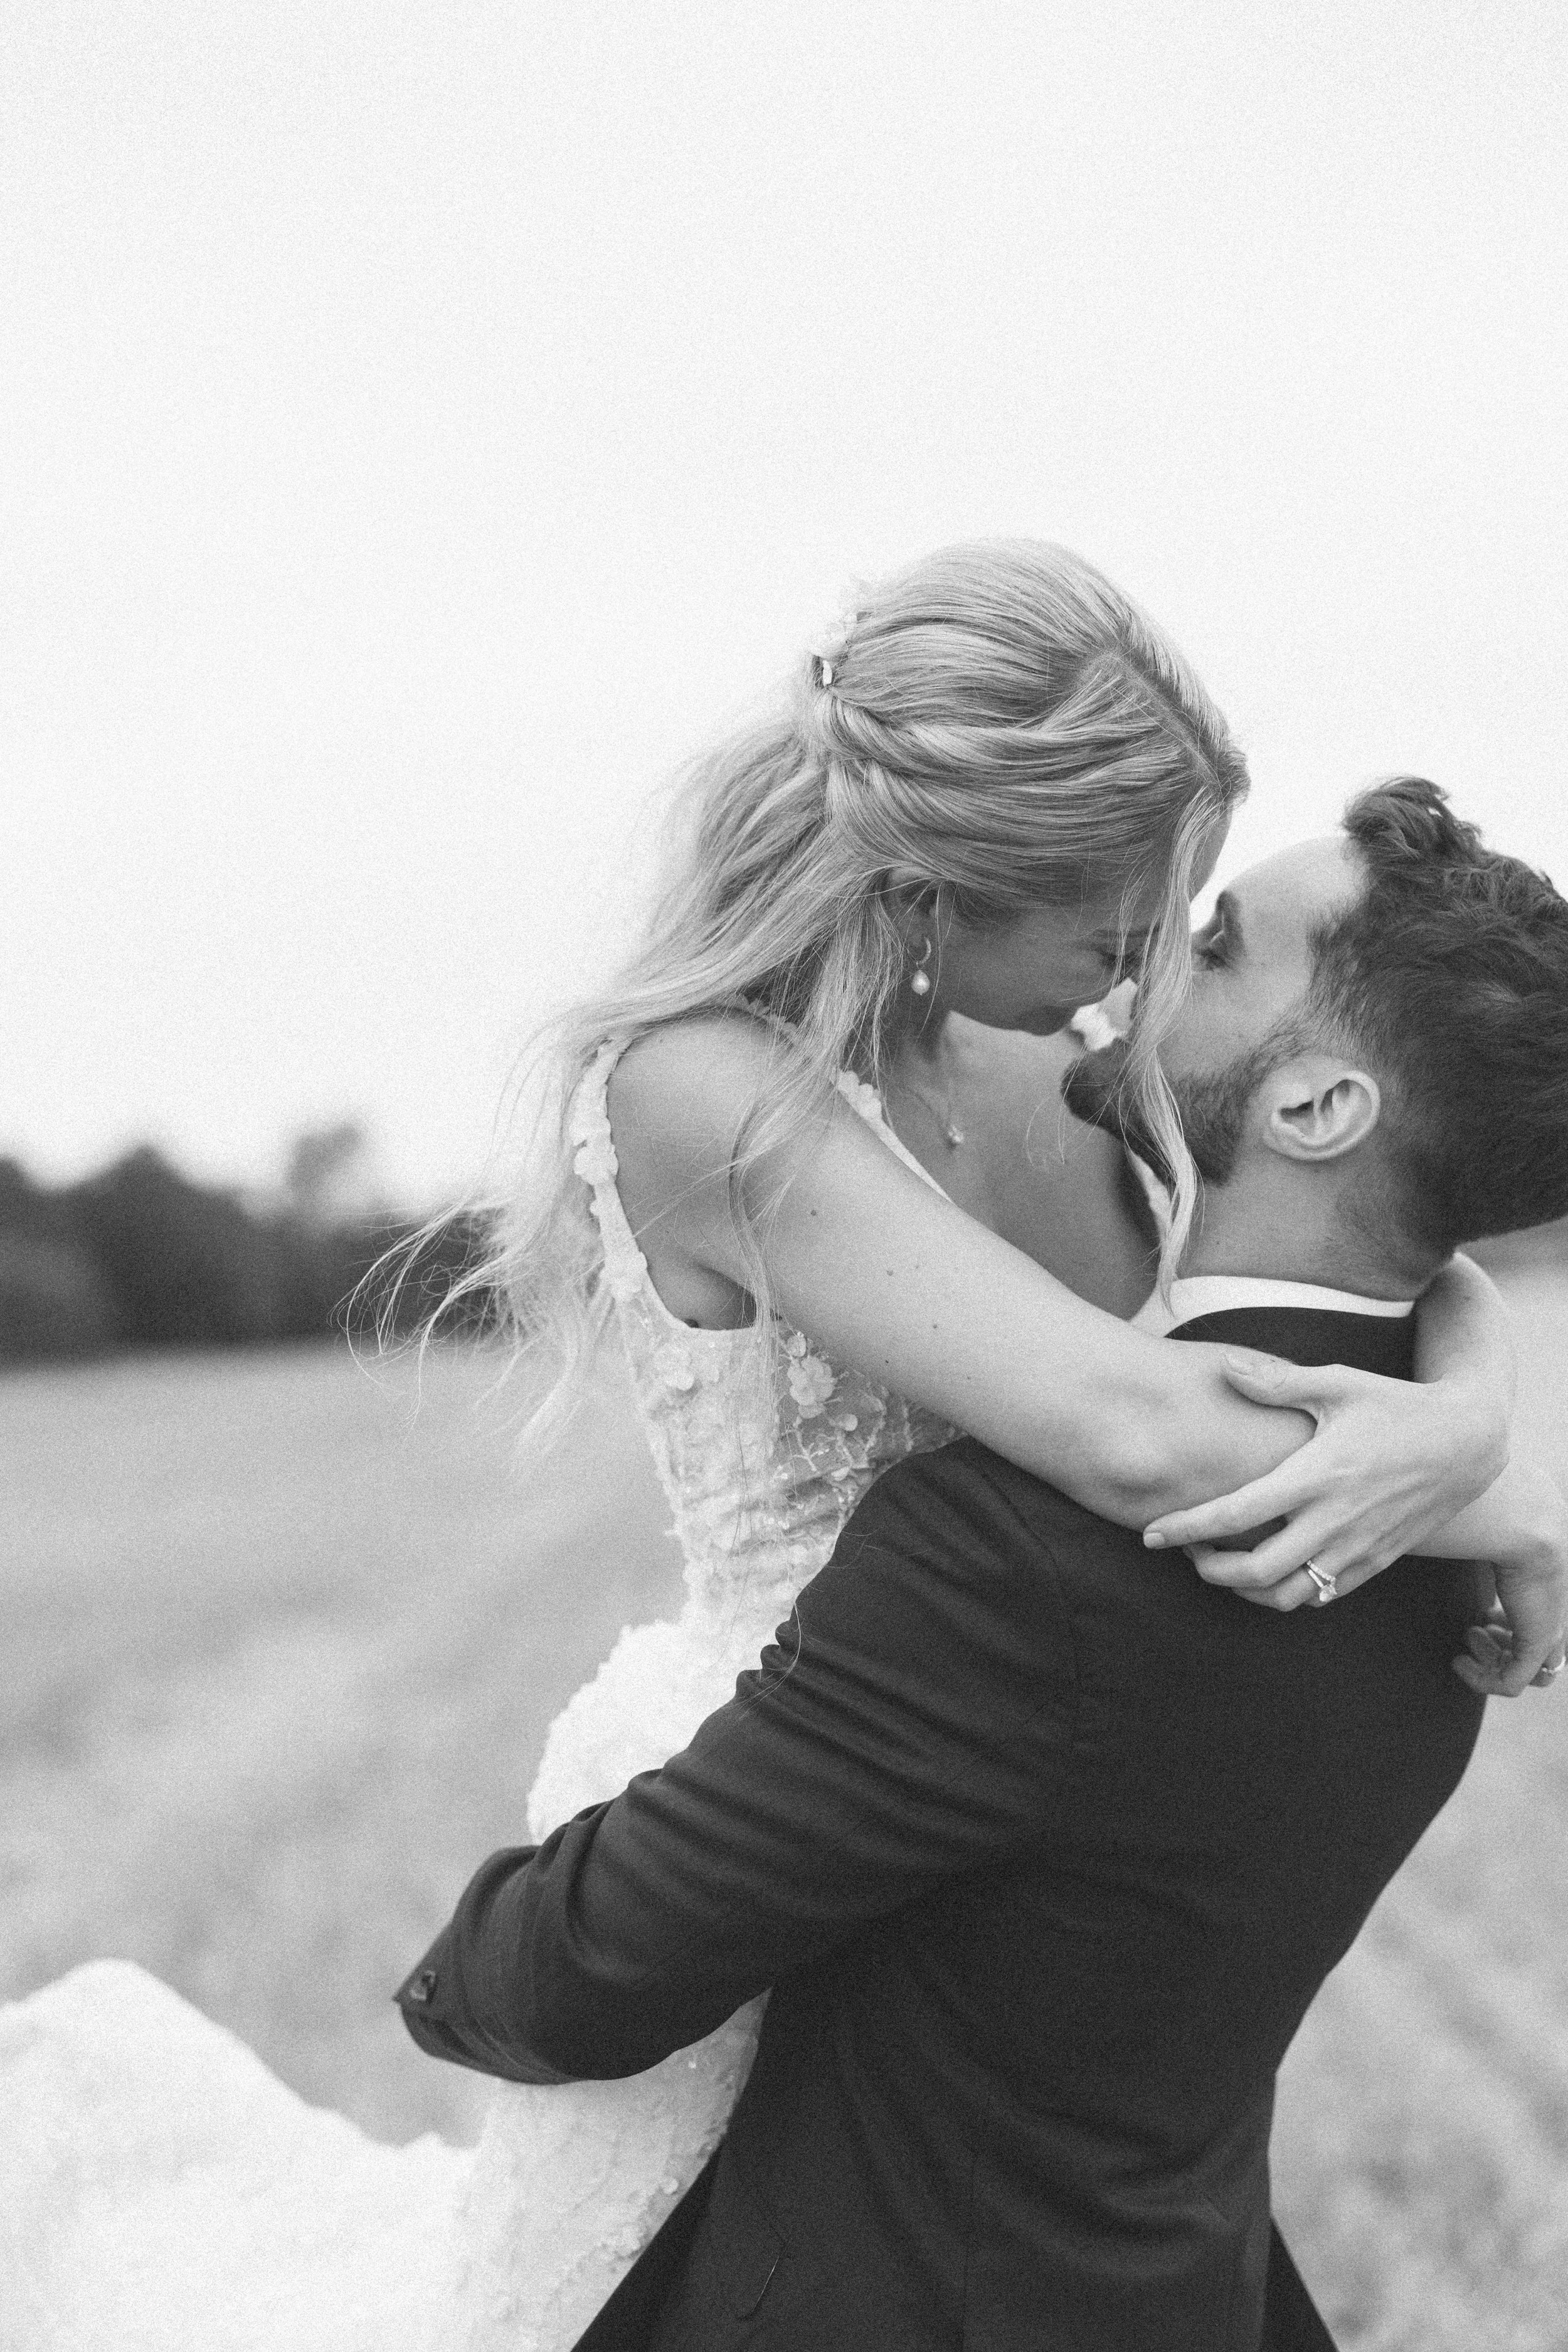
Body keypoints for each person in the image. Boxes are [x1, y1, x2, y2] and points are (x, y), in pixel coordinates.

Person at [1, 546, 1557, 2352]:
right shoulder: (710, 1093)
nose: (1127, 997)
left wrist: (1463, 1410)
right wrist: (1461, 1448)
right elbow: (1143, 1410)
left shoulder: (1061, 1066)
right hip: (788, 1756)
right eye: (1123, 935)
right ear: (938, 883)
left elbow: (1361, 1245)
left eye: (1178, 941)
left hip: (974, 1768)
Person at [399, 778, 1568, 2350]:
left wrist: (458, 1959)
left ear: (1313, 1111)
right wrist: (1475, 1419)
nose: (1145, 972)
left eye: (1216, 950)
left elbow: (565, 1983)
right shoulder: (1443, 1559)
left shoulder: (1017, 1560)